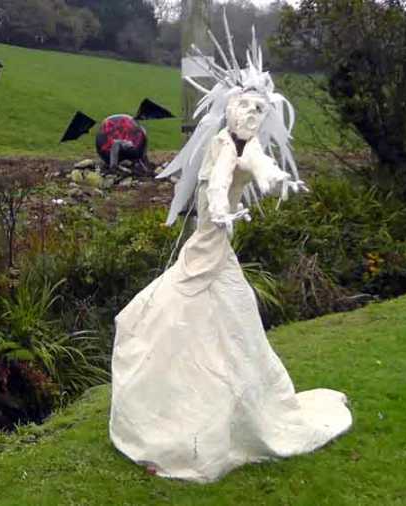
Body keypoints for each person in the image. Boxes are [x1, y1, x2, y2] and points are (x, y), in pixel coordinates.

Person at [108, 21, 352, 483]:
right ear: (229, 109)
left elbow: (258, 166)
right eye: (245, 107)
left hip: (217, 255)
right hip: (206, 248)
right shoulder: (222, 144)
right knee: (156, 322)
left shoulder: (248, 145)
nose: (252, 115)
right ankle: (177, 418)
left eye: (259, 110)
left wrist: (279, 180)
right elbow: (220, 181)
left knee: (220, 330)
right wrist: (220, 210)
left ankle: (216, 417)